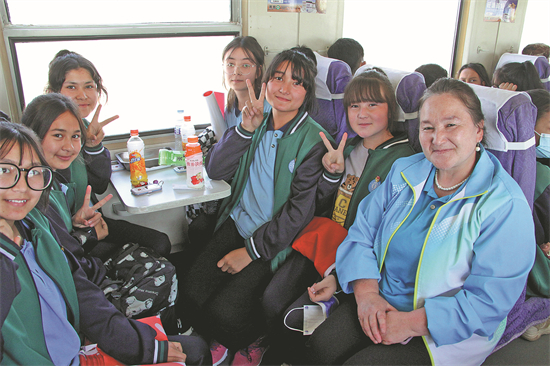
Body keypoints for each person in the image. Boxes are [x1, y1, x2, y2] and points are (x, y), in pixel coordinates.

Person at [303, 78, 535, 365]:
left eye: (451, 125)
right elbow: (362, 232)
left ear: (478, 130)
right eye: (428, 127)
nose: (437, 138)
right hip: (380, 297)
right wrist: (367, 294)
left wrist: (411, 323)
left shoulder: (503, 205)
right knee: (320, 345)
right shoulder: (405, 171)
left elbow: (489, 301)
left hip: (442, 329)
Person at [0, 121, 210, 365]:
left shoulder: (35, 225)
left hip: (76, 345)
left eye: (33, 172)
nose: (22, 186)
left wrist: (141, 346)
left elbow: (80, 291)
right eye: (5, 170)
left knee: (196, 348)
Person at [179, 49, 329, 366]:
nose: (285, 88)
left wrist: (250, 252)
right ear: (266, 81)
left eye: (297, 82)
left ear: (308, 92)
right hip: (237, 222)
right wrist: (245, 130)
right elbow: (216, 170)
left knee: (226, 312)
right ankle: (210, 337)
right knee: (192, 290)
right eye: (278, 77)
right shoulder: (255, 119)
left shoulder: (314, 140)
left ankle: (256, 340)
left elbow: (297, 215)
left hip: (273, 240)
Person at [266, 69, 416, 364]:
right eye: (354, 105)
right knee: (271, 301)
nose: (362, 113)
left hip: (358, 264)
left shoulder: (404, 161)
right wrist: (331, 176)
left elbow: (385, 233)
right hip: (324, 246)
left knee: (297, 322)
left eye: (373, 104)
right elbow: (323, 206)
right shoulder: (345, 147)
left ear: (392, 111)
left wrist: (337, 275)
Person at [46, 50, 171, 260]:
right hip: (67, 234)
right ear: (52, 92)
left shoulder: (84, 128)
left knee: (161, 243)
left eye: (89, 86)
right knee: (152, 252)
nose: (83, 95)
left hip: (92, 220)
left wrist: (93, 145)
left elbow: (99, 184)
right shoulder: (46, 138)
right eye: (71, 87)